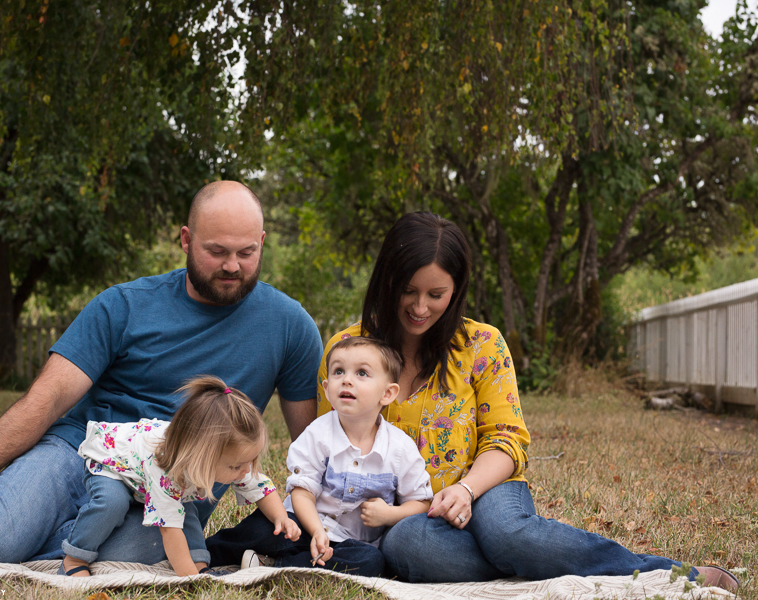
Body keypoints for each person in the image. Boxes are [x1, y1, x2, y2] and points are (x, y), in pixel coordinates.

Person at [0, 181, 323, 568]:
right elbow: (48, 396)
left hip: (177, 487)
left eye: (246, 252)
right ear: (185, 240)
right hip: (82, 448)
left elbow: (311, 444)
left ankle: (31, 542)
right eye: (216, 251)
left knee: (113, 558)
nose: (231, 266)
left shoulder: (291, 327)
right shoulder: (124, 306)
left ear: (263, 242)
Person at [315, 211, 739, 592]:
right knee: (408, 544)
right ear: (387, 279)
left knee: (507, 534)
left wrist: (465, 489)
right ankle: (524, 569)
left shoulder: (482, 344)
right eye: (409, 290)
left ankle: (661, 572)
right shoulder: (346, 354)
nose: (421, 307)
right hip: (405, 517)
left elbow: (506, 440)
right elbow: (330, 447)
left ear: (456, 290)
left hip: (484, 488)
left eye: (436, 294)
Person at [207, 336, 433, 578]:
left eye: (362, 373)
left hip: (349, 543)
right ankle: (207, 554)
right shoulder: (318, 433)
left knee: (370, 562)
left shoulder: (399, 448)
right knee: (261, 529)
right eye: (338, 371)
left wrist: (391, 515)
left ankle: (274, 567)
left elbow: (422, 502)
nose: (346, 379)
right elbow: (302, 491)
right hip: (303, 523)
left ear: (387, 393)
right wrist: (316, 530)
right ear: (326, 389)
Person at [60, 376, 300, 577]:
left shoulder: (232, 458)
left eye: (250, 462)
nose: (246, 471)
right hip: (111, 462)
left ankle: (200, 565)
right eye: (238, 466)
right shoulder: (165, 469)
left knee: (187, 513)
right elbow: (169, 531)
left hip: (144, 475)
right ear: (202, 458)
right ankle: (74, 558)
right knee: (112, 504)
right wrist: (189, 581)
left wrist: (282, 518)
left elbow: (259, 485)